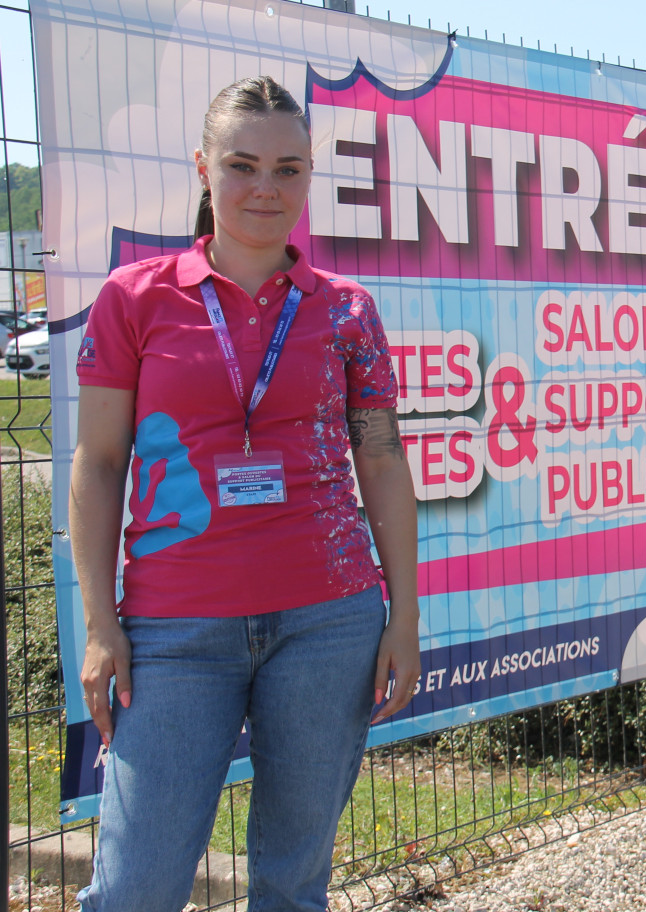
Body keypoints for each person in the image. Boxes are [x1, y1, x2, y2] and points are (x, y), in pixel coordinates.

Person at [71, 75, 422, 912]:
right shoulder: (135, 297)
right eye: (242, 164)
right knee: (134, 888)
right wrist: (99, 625)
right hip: (174, 629)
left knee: (293, 885)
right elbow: (97, 463)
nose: (266, 187)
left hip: (328, 623)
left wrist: (403, 614)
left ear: (309, 176)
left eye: (289, 169)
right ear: (202, 167)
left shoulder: (346, 311)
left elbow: (380, 458)